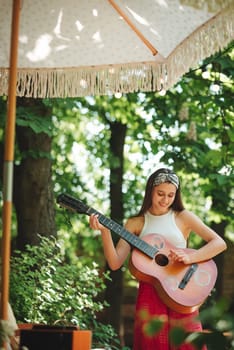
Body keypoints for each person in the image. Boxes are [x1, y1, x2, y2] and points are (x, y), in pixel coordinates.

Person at [89, 168, 227, 350]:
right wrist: (105, 232)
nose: (165, 200)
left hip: (181, 290)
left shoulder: (183, 217)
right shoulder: (135, 223)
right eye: (160, 193)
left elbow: (219, 243)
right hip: (150, 291)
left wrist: (190, 256)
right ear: (150, 191)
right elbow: (115, 263)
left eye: (171, 195)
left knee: (187, 343)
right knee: (151, 343)